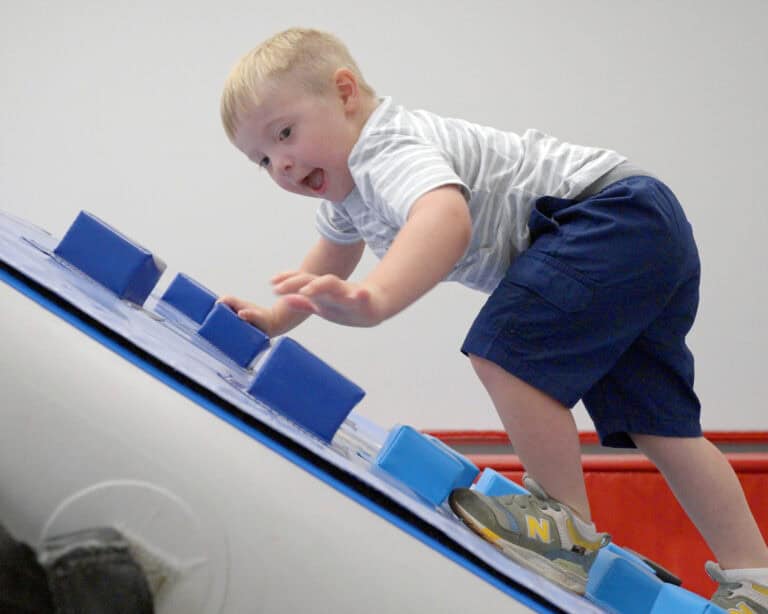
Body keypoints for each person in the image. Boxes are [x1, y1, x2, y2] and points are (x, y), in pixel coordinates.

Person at [218, 27, 768, 610]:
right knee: (661, 425)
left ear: (346, 93)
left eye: (285, 133)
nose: (280, 163)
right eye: (262, 159)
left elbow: (444, 218)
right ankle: (755, 578)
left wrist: (376, 298)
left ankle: (565, 531)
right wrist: (277, 314)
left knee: (503, 352)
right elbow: (333, 253)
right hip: (643, 227)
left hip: (603, 217)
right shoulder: (350, 191)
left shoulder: (384, 147)